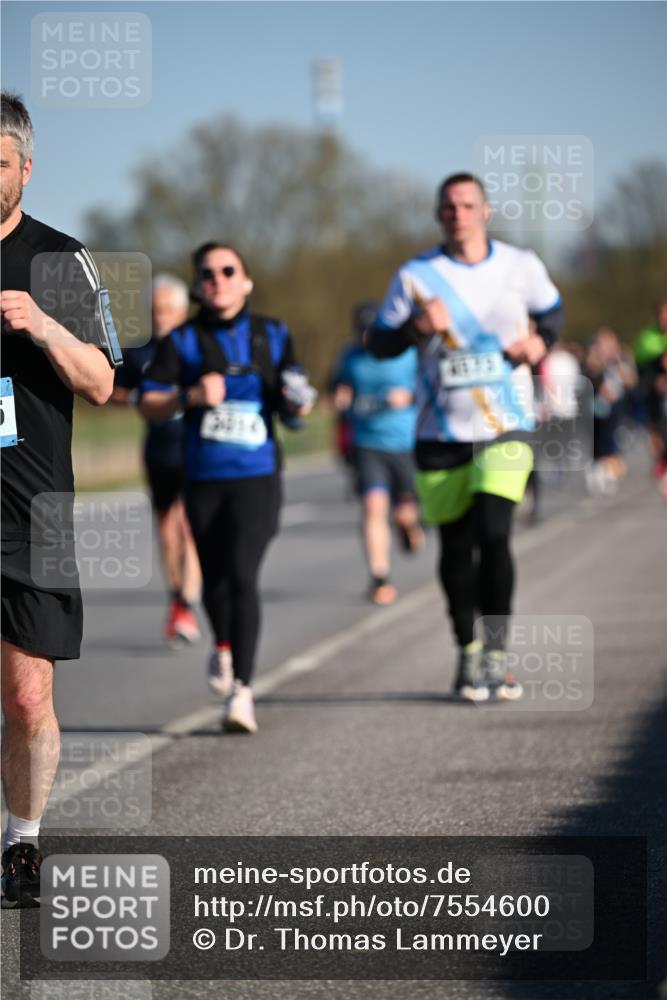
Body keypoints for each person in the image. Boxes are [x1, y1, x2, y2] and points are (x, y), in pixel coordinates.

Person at [367, 172, 563, 701]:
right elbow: (380, 343)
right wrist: (417, 330)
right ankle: (467, 652)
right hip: (440, 429)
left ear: (486, 212)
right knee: (456, 544)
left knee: (494, 533)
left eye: (467, 205)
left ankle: (498, 654)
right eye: (448, 207)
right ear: (439, 215)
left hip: (506, 424)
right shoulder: (415, 274)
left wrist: (540, 344)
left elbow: (552, 315)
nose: (458, 214)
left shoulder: (520, 265)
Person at [0, 92, 117, 905]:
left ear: (25, 169)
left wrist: (41, 325)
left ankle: (23, 842)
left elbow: (104, 382)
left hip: (28, 510)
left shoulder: (59, 260)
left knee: (26, 694)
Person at [140, 242, 314, 733]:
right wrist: (190, 395)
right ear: (199, 285)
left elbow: (293, 397)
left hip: (257, 476)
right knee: (215, 579)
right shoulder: (184, 340)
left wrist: (297, 403)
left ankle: (242, 689)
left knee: (242, 575)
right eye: (208, 273)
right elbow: (148, 402)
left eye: (227, 270)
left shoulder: (272, 334)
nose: (217, 279)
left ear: (246, 280)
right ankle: (221, 646)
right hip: (203, 479)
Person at [111, 274, 202, 646]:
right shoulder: (139, 352)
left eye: (167, 309)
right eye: (154, 310)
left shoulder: (197, 346)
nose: (161, 316)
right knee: (166, 529)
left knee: (187, 525)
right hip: (158, 450)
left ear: (181, 311)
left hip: (194, 448)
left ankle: (188, 602)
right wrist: (134, 400)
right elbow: (108, 387)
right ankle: (176, 598)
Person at [330, 301, 423, 605]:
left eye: (371, 332)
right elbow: (337, 386)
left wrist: (409, 396)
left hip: (406, 443)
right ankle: (380, 578)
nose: (365, 339)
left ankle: (409, 525)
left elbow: (431, 388)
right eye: (361, 332)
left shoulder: (407, 353)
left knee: (404, 513)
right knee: (372, 508)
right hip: (367, 443)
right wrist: (340, 396)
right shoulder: (350, 356)